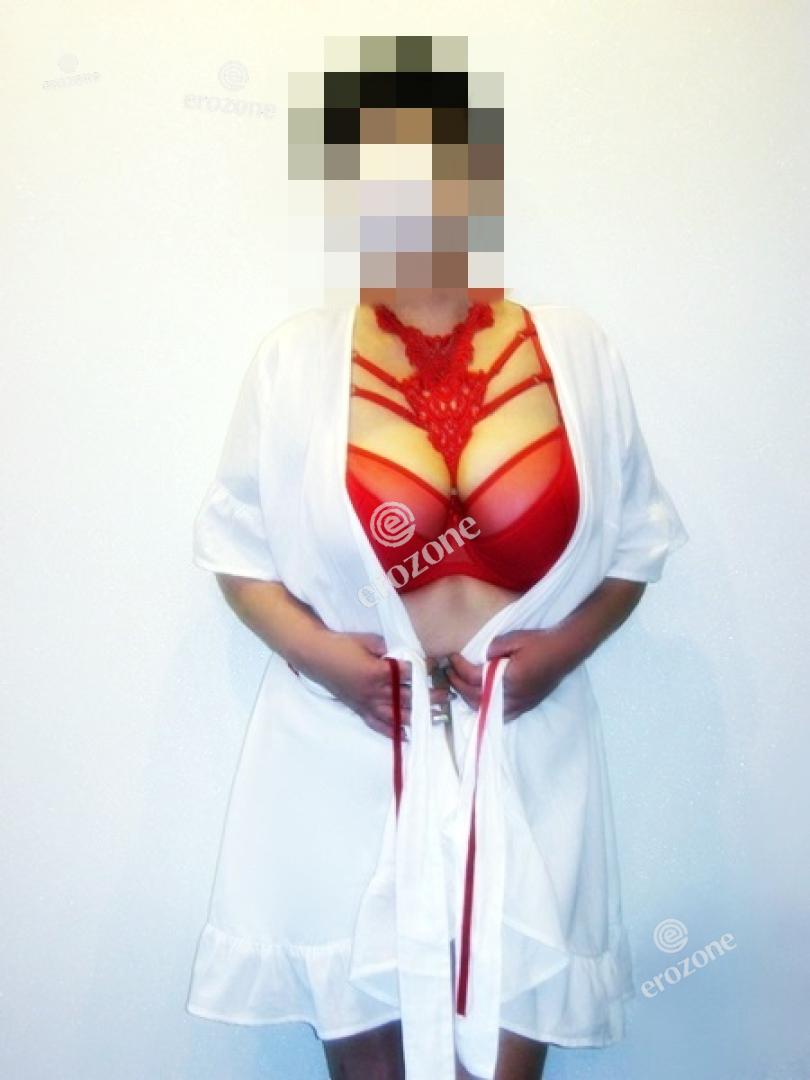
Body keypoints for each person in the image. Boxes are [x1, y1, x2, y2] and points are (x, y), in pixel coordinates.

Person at [186, 35, 689, 1080]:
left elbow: (638, 543)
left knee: (504, 1053)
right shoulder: (295, 362)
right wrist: (329, 663)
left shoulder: (576, 350)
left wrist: (562, 654)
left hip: (527, 757)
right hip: (340, 754)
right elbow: (236, 551)